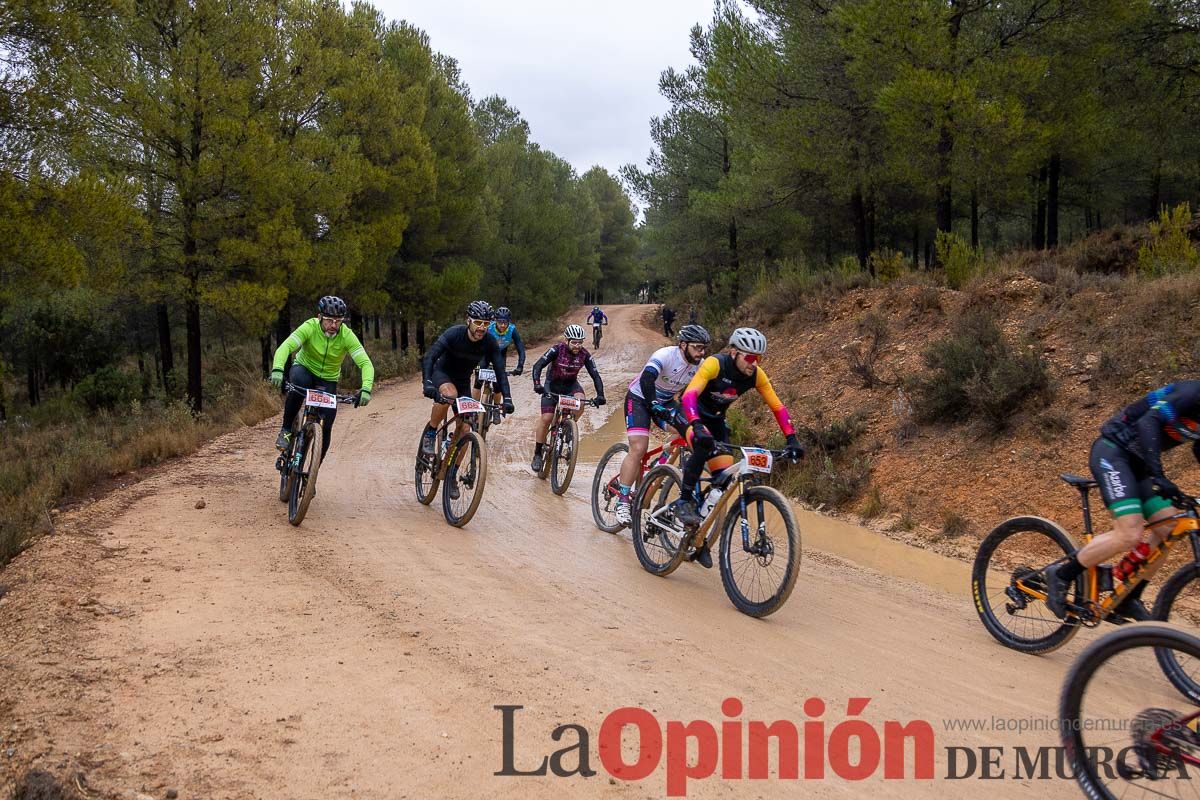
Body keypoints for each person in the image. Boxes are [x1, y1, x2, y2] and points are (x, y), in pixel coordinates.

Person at [1042, 382, 1200, 618]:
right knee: (1129, 532)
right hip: (1113, 452)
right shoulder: (1192, 394)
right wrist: (1159, 475)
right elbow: (1149, 422)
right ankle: (1062, 575)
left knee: (1169, 527)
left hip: (1139, 465)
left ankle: (1129, 596)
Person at [672, 327, 804, 568]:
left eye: (759, 358)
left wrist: (792, 438)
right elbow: (689, 395)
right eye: (750, 357)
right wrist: (697, 425)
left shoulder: (756, 376)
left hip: (716, 420)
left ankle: (698, 536)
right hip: (690, 413)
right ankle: (683, 500)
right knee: (702, 445)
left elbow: (777, 406)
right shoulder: (715, 364)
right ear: (734, 352)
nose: (754, 363)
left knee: (721, 481)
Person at [612, 325, 712, 526]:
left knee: (688, 433)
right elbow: (648, 378)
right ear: (683, 345)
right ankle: (622, 500)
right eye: (697, 347)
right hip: (640, 398)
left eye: (704, 349)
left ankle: (659, 466)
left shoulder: (700, 365)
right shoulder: (666, 355)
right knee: (639, 448)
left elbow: (703, 394)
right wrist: (653, 403)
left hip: (666, 401)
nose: (701, 353)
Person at [270, 295, 374, 459]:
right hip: (304, 368)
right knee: (298, 386)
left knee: (327, 427)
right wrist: (277, 369)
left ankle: (312, 474)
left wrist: (366, 388)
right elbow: (286, 347)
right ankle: (286, 430)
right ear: (319, 318)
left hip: (327, 379)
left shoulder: (346, 335)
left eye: (338, 321)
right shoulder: (310, 327)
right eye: (329, 320)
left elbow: (365, 363)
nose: (334, 325)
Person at [420, 300, 513, 459]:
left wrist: (508, 398)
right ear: (468, 321)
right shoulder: (454, 333)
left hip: (463, 381)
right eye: (477, 323)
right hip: (443, 373)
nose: (482, 328)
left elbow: (500, 372)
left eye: (485, 323)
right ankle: (431, 432)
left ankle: (452, 475)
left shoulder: (489, 342)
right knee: (450, 394)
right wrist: (427, 382)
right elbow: (430, 357)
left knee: (465, 430)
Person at [529, 324, 606, 473]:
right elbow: (537, 366)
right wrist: (537, 384)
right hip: (552, 385)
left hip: (571, 386)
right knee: (546, 418)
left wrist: (600, 395)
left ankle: (569, 426)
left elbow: (595, 376)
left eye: (580, 342)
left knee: (580, 401)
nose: (577, 346)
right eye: (574, 342)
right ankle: (538, 453)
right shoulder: (557, 349)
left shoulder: (585, 355)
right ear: (567, 340)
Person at [474, 306, 525, 398]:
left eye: (505, 322)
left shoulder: (512, 330)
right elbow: (477, 343)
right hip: (485, 353)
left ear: (509, 322)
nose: (502, 325)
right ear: (495, 321)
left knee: (498, 385)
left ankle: (497, 409)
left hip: (500, 354)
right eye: (500, 322)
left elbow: (520, 348)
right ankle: (473, 410)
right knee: (478, 381)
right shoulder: (489, 328)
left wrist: (520, 365)